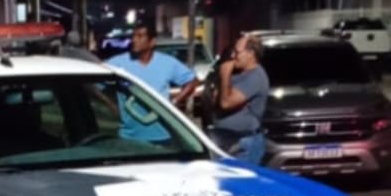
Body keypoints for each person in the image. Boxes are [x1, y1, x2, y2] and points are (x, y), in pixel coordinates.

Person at [106, 17, 200, 143]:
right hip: (129, 137)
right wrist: (111, 106)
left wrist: (174, 102)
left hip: (162, 136)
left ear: (152, 42)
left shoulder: (167, 63)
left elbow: (192, 81)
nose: (134, 40)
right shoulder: (118, 63)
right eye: (133, 36)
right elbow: (95, 82)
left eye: (140, 36)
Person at [210, 33, 269, 164]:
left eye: (237, 52)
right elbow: (216, 101)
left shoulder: (256, 77)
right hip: (225, 140)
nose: (233, 56)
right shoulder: (239, 74)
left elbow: (225, 103)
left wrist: (225, 73)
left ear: (251, 54)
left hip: (244, 142)